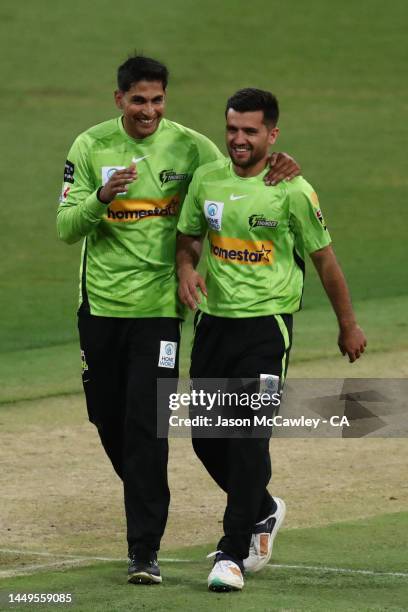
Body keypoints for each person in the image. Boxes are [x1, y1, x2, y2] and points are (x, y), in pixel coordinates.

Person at [57, 56, 301, 585]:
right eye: (139, 100)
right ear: (119, 99)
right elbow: (65, 227)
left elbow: (238, 168)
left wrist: (281, 164)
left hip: (161, 312)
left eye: (158, 100)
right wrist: (102, 198)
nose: (149, 110)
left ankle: (144, 550)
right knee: (110, 422)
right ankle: (259, 504)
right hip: (99, 307)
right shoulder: (89, 145)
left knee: (148, 428)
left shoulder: (190, 147)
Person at [176, 88, 367, 592]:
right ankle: (263, 509)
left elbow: (324, 259)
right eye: (233, 129)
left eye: (250, 131)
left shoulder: (293, 189)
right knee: (204, 438)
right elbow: (189, 235)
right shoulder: (206, 178)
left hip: (267, 329)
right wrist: (186, 267)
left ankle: (232, 553)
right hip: (213, 324)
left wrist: (347, 323)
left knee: (248, 436)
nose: (239, 139)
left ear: (272, 135)